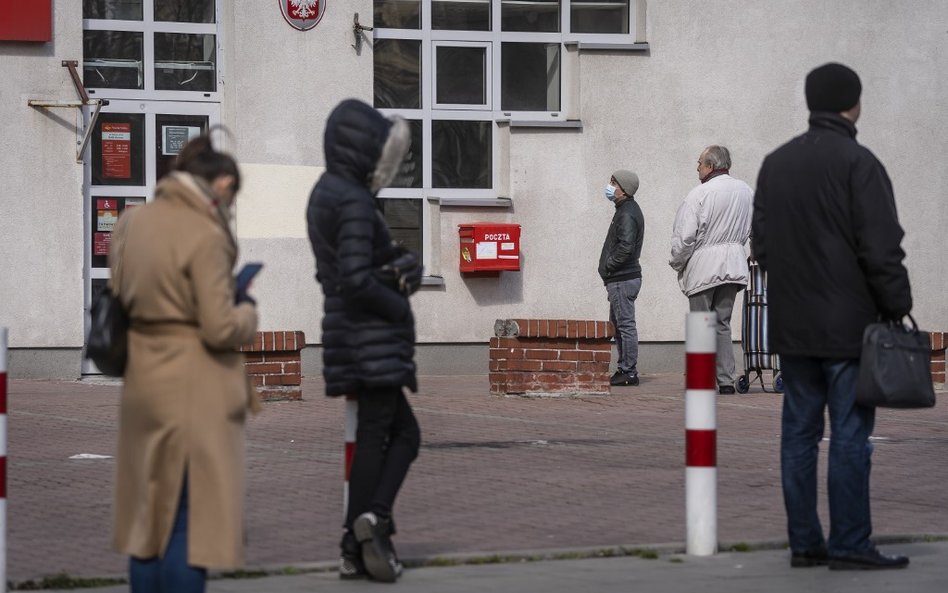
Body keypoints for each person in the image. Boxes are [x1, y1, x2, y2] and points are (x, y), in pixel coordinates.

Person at [753, 63, 912, 570]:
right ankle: (849, 542)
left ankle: (805, 543)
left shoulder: (775, 164)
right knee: (849, 434)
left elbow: (762, 245)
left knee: (798, 433)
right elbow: (882, 247)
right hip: (849, 329)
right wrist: (898, 306)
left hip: (794, 326)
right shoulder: (860, 163)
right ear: (854, 103)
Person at [109, 133, 260, 592]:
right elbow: (217, 327)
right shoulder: (204, 231)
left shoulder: (133, 222)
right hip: (194, 384)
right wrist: (247, 312)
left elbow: (119, 296)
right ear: (222, 184)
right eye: (231, 198)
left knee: (147, 523)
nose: (229, 208)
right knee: (188, 525)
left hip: (142, 379)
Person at [306, 99, 422, 582]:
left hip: (351, 333)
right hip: (368, 335)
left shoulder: (328, 193)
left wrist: (400, 265)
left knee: (385, 434)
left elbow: (354, 264)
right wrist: (398, 301)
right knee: (395, 436)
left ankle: (355, 547)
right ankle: (373, 521)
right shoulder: (352, 199)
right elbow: (355, 277)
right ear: (360, 146)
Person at [669, 145, 753, 394]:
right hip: (734, 265)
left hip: (704, 267)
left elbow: (685, 237)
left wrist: (677, 262)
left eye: (699, 163)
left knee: (701, 324)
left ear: (711, 166)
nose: (697, 167)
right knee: (722, 323)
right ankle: (726, 380)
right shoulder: (746, 191)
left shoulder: (699, 194)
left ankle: (702, 381)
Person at [598, 170, 645, 387]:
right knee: (619, 325)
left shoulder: (626, 212)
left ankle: (628, 371)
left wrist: (609, 266)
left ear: (624, 188)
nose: (609, 186)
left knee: (625, 325)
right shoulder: (625, 209)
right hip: (621, 278)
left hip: (622, 278)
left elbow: (626, 247)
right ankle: (624, 369)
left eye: (613, 182)